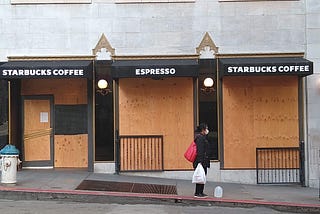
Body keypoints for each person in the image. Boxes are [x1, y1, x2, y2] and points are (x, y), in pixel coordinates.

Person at [193, 123, 210, 198]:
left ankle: (200, 192)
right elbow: (200, 150)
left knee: (202, 176)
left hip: (202, 160)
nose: (207, 130)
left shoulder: (202, 137)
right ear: (203, 130)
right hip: (201, 161)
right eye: (206, 128)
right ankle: (198, 192)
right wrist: (200, 161)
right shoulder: (200, 138)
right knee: (201, 175)